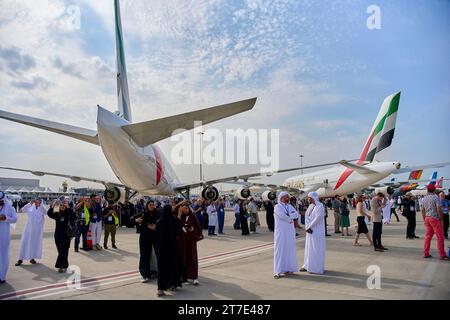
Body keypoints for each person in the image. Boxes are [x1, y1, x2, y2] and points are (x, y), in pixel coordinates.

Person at [155, 204, 182, 297]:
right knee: (172, 266)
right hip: (173, 248)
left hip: (162, 249)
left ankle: (160, 289)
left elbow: (156, 237)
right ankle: (172, 285)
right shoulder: (174, 221)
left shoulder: (159, 222)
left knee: (162, 269)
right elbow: (179, 232)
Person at [273, 192, 299, 279]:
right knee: (280, 250)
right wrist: (290, 218)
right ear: (281, 198)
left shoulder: (289, 206)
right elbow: (281, 216)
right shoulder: (277, 206)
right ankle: (278, 271)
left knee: (289, 250)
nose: (288, 198)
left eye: (288, 197)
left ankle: (288, 268)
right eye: (286, 197)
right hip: (281, 232)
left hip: (289, 232)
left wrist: (290, 216)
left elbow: (296, 213)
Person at [47, 198, 76, 273]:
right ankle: (65, 264)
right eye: (61, 206)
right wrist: (52, 206)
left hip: (66, 235)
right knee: (61, 251)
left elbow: (73, 216)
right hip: (58, 236)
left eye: (64, 206)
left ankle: (60, 266)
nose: (62, 206)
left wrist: (68, 207)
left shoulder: (68, 215)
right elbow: (49, 214)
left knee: (64, 251)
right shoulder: (57, 215)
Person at [176, 201, 202, 285]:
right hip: (182, 241)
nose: (185, 210)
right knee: (183, 258)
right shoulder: (180, 217)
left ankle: (194, 277)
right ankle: (184, 277)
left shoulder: (192, 216)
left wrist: (193, 230)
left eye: (186, 208)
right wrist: (179, 205)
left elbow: (198, 228)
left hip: (190, 241)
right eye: (183, 209)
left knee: (192, 258)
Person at [300, 192, 326, 274]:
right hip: (310, 230)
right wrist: (307, 226)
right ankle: (307, 266)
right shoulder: (311, 206)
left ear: (313, 198)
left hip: (317, 230)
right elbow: (307, 217)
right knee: (309, 248)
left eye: (309, 197)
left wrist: (309, 226)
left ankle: (316, 268)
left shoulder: (320, 206)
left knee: (316, 248)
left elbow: (318, 218)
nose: (308, 199)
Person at [16, 199, 46, 266]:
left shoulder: (42, 208)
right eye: (36, 201)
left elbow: (45, 212)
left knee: (34, 244)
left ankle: (32, 258)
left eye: (38, 202)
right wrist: (29, 203)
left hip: (37, 231)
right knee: (24, 242)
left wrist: (40, 206)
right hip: (28, 229)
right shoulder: (30, 206)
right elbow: (21, 210)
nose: (36, 203)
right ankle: (20, 259)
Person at [421, 185, 448, 260]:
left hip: (427, 218)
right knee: (440, 237)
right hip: (434, 218)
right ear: (434, 190)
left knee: (428, 237)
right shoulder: (436, 197)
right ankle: (442, 254)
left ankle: (426, 253)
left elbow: (422, 210)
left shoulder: (424, 198)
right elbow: (438, 209)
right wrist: (441, 218)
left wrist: (424, 219)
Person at [136, 200, 159, 282]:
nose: (152, 206)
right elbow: (131, 218)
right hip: (145, 238)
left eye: (153, 205)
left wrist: (156, 226)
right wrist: (136, 220)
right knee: (145, 255)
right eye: (150, 205)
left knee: (158, 255)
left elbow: (162, 222)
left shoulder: (158, 213)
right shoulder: (143, 213)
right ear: (147, 206)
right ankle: (145, 274)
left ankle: (158, 272)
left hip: (156, 237)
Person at [0, 192, 18, 284]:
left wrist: (5, 218)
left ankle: (2, 276)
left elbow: (15, 219)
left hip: (3, 235)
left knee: (3, 255)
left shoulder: (9, 207)